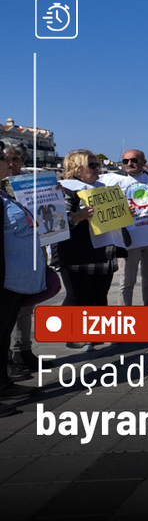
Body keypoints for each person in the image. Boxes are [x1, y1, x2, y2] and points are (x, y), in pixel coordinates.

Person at [56, 150, 128, 350]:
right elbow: (58, 223)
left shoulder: (104, 188)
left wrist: (124, 212)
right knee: (77, 296)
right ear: (78, 170)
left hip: (103, 251)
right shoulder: (65, 190)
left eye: (98, 165)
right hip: (77, 253)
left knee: (99, 295)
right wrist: (79, 216)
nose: (98, 169)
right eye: (93, 165)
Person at [1, 142, 45, 407]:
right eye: (5, 158)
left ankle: (6, 378)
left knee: (10, 324)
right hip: (7, 275)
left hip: (18, 274)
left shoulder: (20, 187)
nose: (10, 162)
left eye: (15, 159)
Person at [104, 149, 148, 307]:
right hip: (129, 238)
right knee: (127, 281)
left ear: (143, 162)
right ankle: (125, 316)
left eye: (134, 160)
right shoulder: (113, 180)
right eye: (125, 161)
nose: (129, 164)